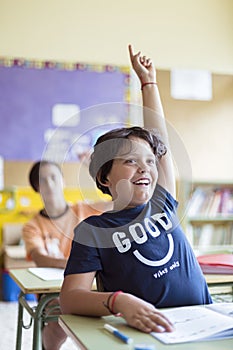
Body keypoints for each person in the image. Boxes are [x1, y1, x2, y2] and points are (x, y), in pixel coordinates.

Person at [60, 45, 212, 335]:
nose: (144, 168)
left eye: (149, 162)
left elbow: (160, 141)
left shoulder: (161, 202)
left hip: (203, 321)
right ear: (104, 178)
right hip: (149, 332)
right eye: (130, 161)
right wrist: (119, 302)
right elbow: (70, 298)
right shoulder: (93, 230)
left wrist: (149, 83)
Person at [22, 160, 111, 350]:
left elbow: (118, 203)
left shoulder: (84, 210)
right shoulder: (32, 226)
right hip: (54, 292)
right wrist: (77, 266)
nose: (50, 184)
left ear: (62, 181)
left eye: (54, 177)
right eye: (43, 180)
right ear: (36, 188)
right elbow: (39, 257)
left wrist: (96, 169)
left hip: (94, 285)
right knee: (61, 316)